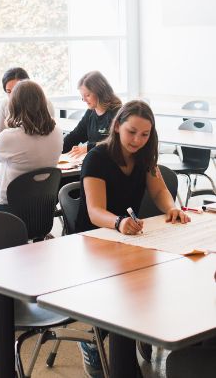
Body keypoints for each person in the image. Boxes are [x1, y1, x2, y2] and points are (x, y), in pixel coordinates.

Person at [75, 100, 190, 378]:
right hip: (92, 240)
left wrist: (172, 207)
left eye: (145, 134)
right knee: (123, 296)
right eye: (132, 132)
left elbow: (159, 189)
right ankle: (104, 344)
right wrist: (118, 221)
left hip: (126, 238)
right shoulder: (97, 158)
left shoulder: (144, 156)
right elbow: (94, 211)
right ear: (117, 127)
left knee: (155, 280)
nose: (138, 140)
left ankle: (128, 339)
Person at [0, 80, 62, 214]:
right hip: (41, 212)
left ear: (15, 105)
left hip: (9, 213)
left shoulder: (9, 136)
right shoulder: (57, 132)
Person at [0, 67, 56, 152]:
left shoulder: (44, 104)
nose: (12, 96)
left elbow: (41, 138)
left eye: (15, 91)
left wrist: (0, 144)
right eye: (8, 91)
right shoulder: (5, 104)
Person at [62, 70, 122, 158]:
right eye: (82, 96)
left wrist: (88, 148)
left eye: (87, 95)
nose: (84, 100)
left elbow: (116, 143)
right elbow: (75, 135)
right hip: (93, 160)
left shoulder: (117, 113)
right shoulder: (90, 112)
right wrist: (56, 150)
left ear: (100, 92)